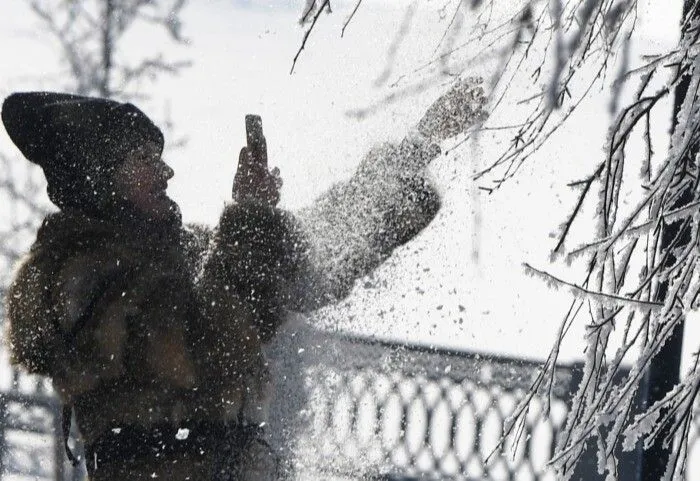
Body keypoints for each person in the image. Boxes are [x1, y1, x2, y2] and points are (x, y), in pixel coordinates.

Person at [1, 84, 484, 480]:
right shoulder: (76, 280)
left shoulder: (181, 260)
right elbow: (210, 346)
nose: (166, 171)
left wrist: (422, 142)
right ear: (99, 178)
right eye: (143, 159)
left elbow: (313, 253)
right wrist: (251, 220)